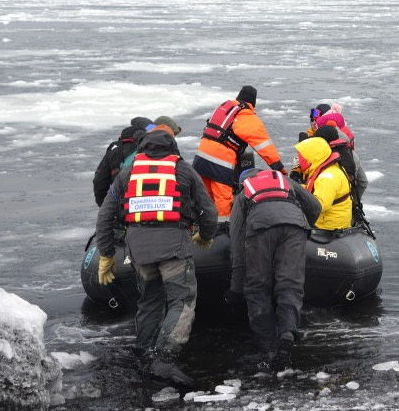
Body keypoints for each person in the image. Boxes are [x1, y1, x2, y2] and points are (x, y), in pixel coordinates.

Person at [94, 128, 217, 387]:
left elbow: (105, 215)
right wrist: (206, 235)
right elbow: (208, 209)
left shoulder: (127, 174)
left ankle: (143, 352)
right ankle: (165, 358)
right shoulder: (183, 171)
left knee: (150, 299)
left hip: (139, 250)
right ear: (171, 148)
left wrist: (106, 255)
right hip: (173, 247)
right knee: (182, 301)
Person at [228, 168, 321, 371]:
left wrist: (235, 288)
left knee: (257, 289)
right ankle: (287, 333)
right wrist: (304, 226)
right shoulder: (285, 181)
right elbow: (315, 206)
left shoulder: (244, 192)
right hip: (296, 225)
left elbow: (236, 242)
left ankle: (268, 352)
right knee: (290, 284)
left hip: (261, 226)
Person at [193, 86, 286, 219]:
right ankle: (222, 230)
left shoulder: (225, 108)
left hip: (201, 157)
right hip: (220, 161)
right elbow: (263, 145)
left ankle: (201, 227)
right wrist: (279, 168)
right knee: (222, 199)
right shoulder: (246, 114)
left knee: (205, 195)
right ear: (253, 103)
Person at [293, 136, 353, 230]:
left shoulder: (327, 177)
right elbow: (315, 189)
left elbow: (319, 205)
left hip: (328, 225)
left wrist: (297, 198)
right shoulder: (331, 169)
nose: (303, 158)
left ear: (314, 155)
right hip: (332, 220)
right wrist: (297, 188)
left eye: (305, 155)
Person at [92, 116, 153, 207]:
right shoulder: (151, 147)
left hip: (120, 201)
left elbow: (99, 180)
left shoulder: (113, 151)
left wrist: (103, 204)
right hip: (149, 200)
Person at [313, 124, 368, 201]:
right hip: (346, 206)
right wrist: (354, 202)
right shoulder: (350, 154)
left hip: (330, 208)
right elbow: (363, 182)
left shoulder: (324, 159)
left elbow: (322, 203)